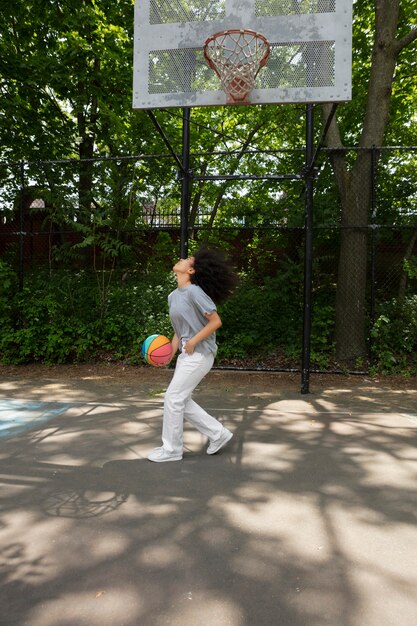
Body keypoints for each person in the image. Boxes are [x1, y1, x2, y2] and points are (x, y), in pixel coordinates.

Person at [147, 247, 238, 462]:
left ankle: (171, 450)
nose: (182, 258)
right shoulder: (172, 296)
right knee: (182, 400)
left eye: (188, 259)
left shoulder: (195, 292)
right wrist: (168, 355)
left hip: (200, 353)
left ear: (191, 271)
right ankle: (218, 434)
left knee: (173, 397)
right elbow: (180, 331)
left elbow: (216, 321)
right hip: (186, 354)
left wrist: (194, 341)